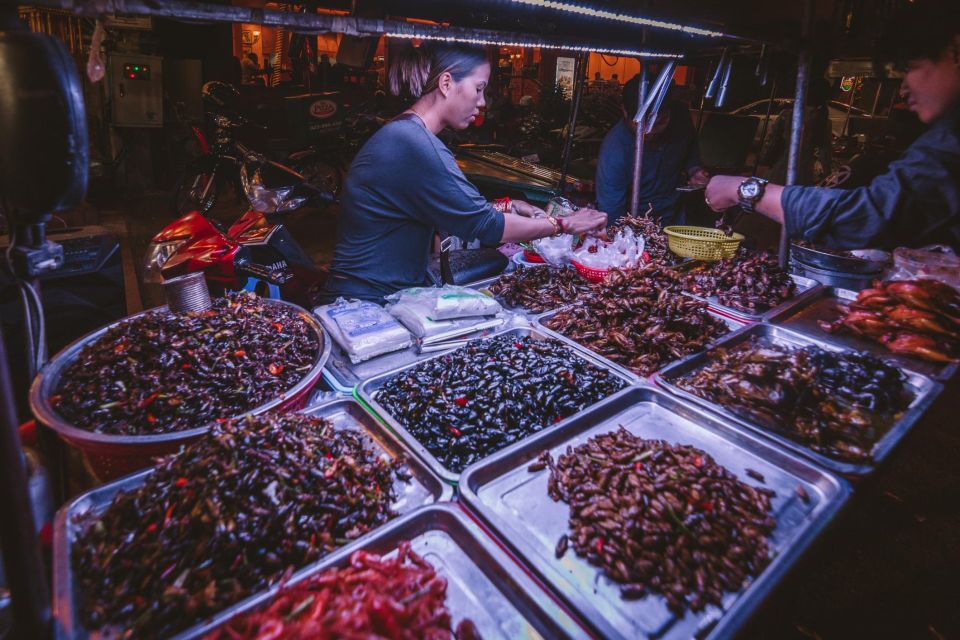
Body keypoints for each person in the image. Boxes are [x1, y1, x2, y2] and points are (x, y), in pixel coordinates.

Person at [323, 43, 608, 303]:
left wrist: (510, 205)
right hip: (364, 300)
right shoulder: (412, 143)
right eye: (479, 88)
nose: (482, 102)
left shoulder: (407, 133)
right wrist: (564, 224)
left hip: (380, 291)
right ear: (446, 83)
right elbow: (484, 225)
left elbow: (455, 211)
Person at [704, 1, 960, 250]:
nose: (902, 89)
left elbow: (869, 215)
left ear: (955, 50)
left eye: (909, 68)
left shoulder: (953, 137)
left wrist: (745, 190)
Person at [595, 74, 709, 226]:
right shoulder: (615, 149)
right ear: (625, 111)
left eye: (660, 123)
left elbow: (689, 146)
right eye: (642, 124)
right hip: (638, 221)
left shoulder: (681, 117)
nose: (651, 131)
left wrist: (694, 170)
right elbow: (611, 208)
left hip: (675, 212)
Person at [761, 78, 833, 184]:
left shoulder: (787, 115)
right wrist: (827, 174)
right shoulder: (823, 120)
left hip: (784, 165)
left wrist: (765, 157)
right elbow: (825, 152)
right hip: (805, 169)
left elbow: (771, 141)